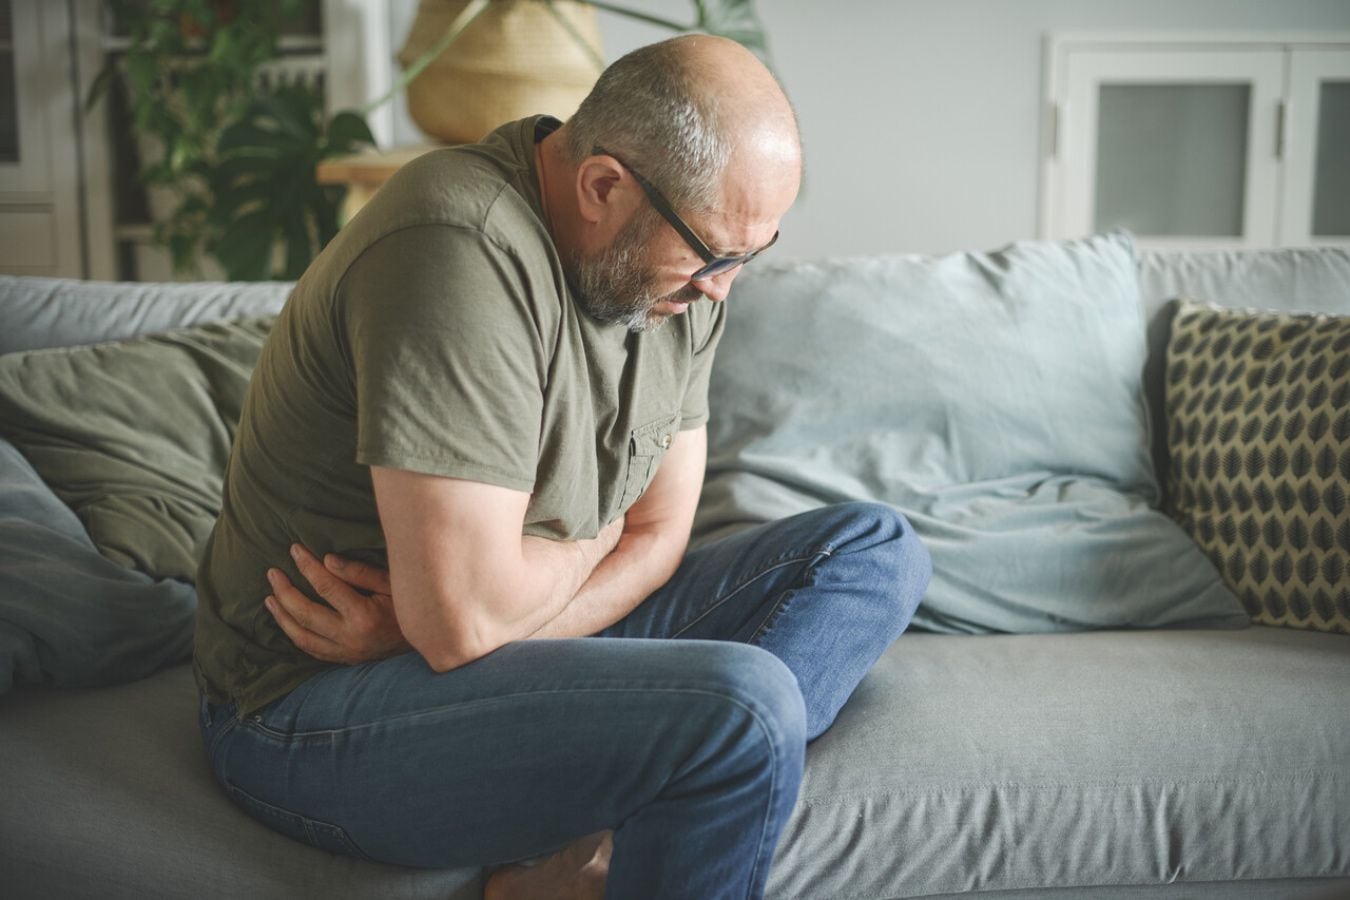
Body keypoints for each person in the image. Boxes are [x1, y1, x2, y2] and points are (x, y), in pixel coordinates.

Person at [192, 34, 930, 900]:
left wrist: (457, 625)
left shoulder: (683, 274)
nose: (724, 289)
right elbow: (471, 617)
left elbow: (656, 537)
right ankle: (664, 783)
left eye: (750, 255)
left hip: (447, 643)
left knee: (876, 548)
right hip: (311, 707)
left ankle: (609, 842)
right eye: (713, 255)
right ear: (603, 185)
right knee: (744, 704)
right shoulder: (456, 245)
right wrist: (581, 550)